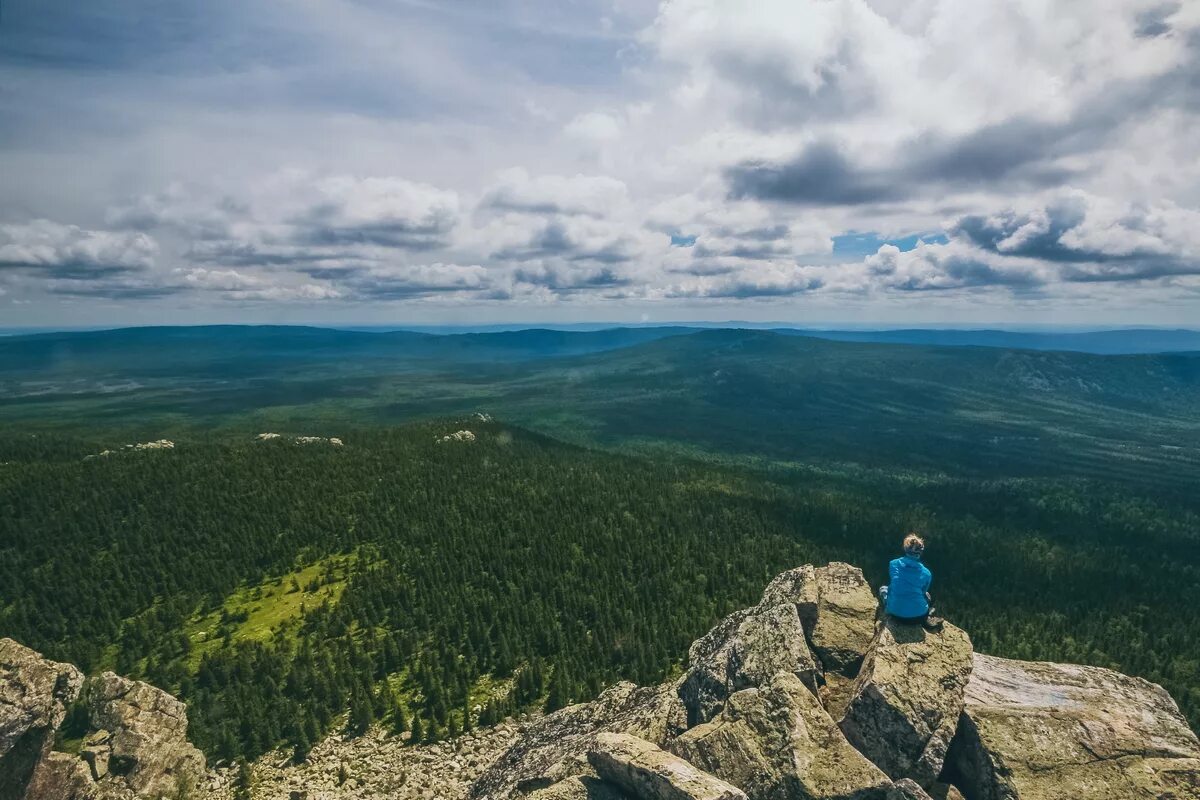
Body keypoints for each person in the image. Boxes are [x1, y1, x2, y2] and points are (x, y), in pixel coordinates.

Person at [883, 533, 943, 630]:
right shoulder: (926, 573)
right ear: (920, 552)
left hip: (894, 614)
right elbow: (923, 592)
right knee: (927, 595)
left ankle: (888, 611)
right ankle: (926, 615)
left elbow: (894, 584)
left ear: (905, 548)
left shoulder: (893, 564)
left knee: (883, 589)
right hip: (918, 617)